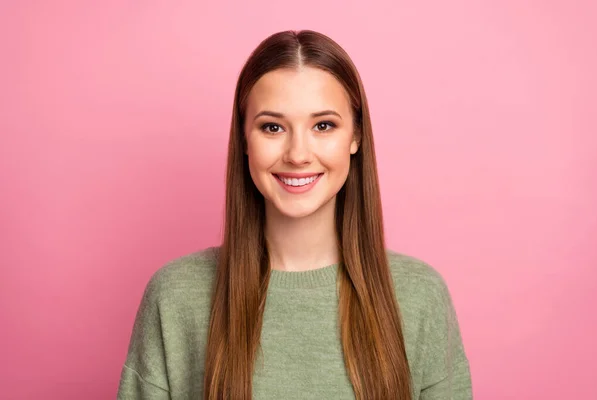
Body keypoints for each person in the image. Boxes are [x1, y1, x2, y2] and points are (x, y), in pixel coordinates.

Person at [117, 29, 472, 400]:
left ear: (356, 137)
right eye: (272, 127)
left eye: (323, 126)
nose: (298, 154)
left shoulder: (420, 296)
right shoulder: (175, 297)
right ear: (243, 139)